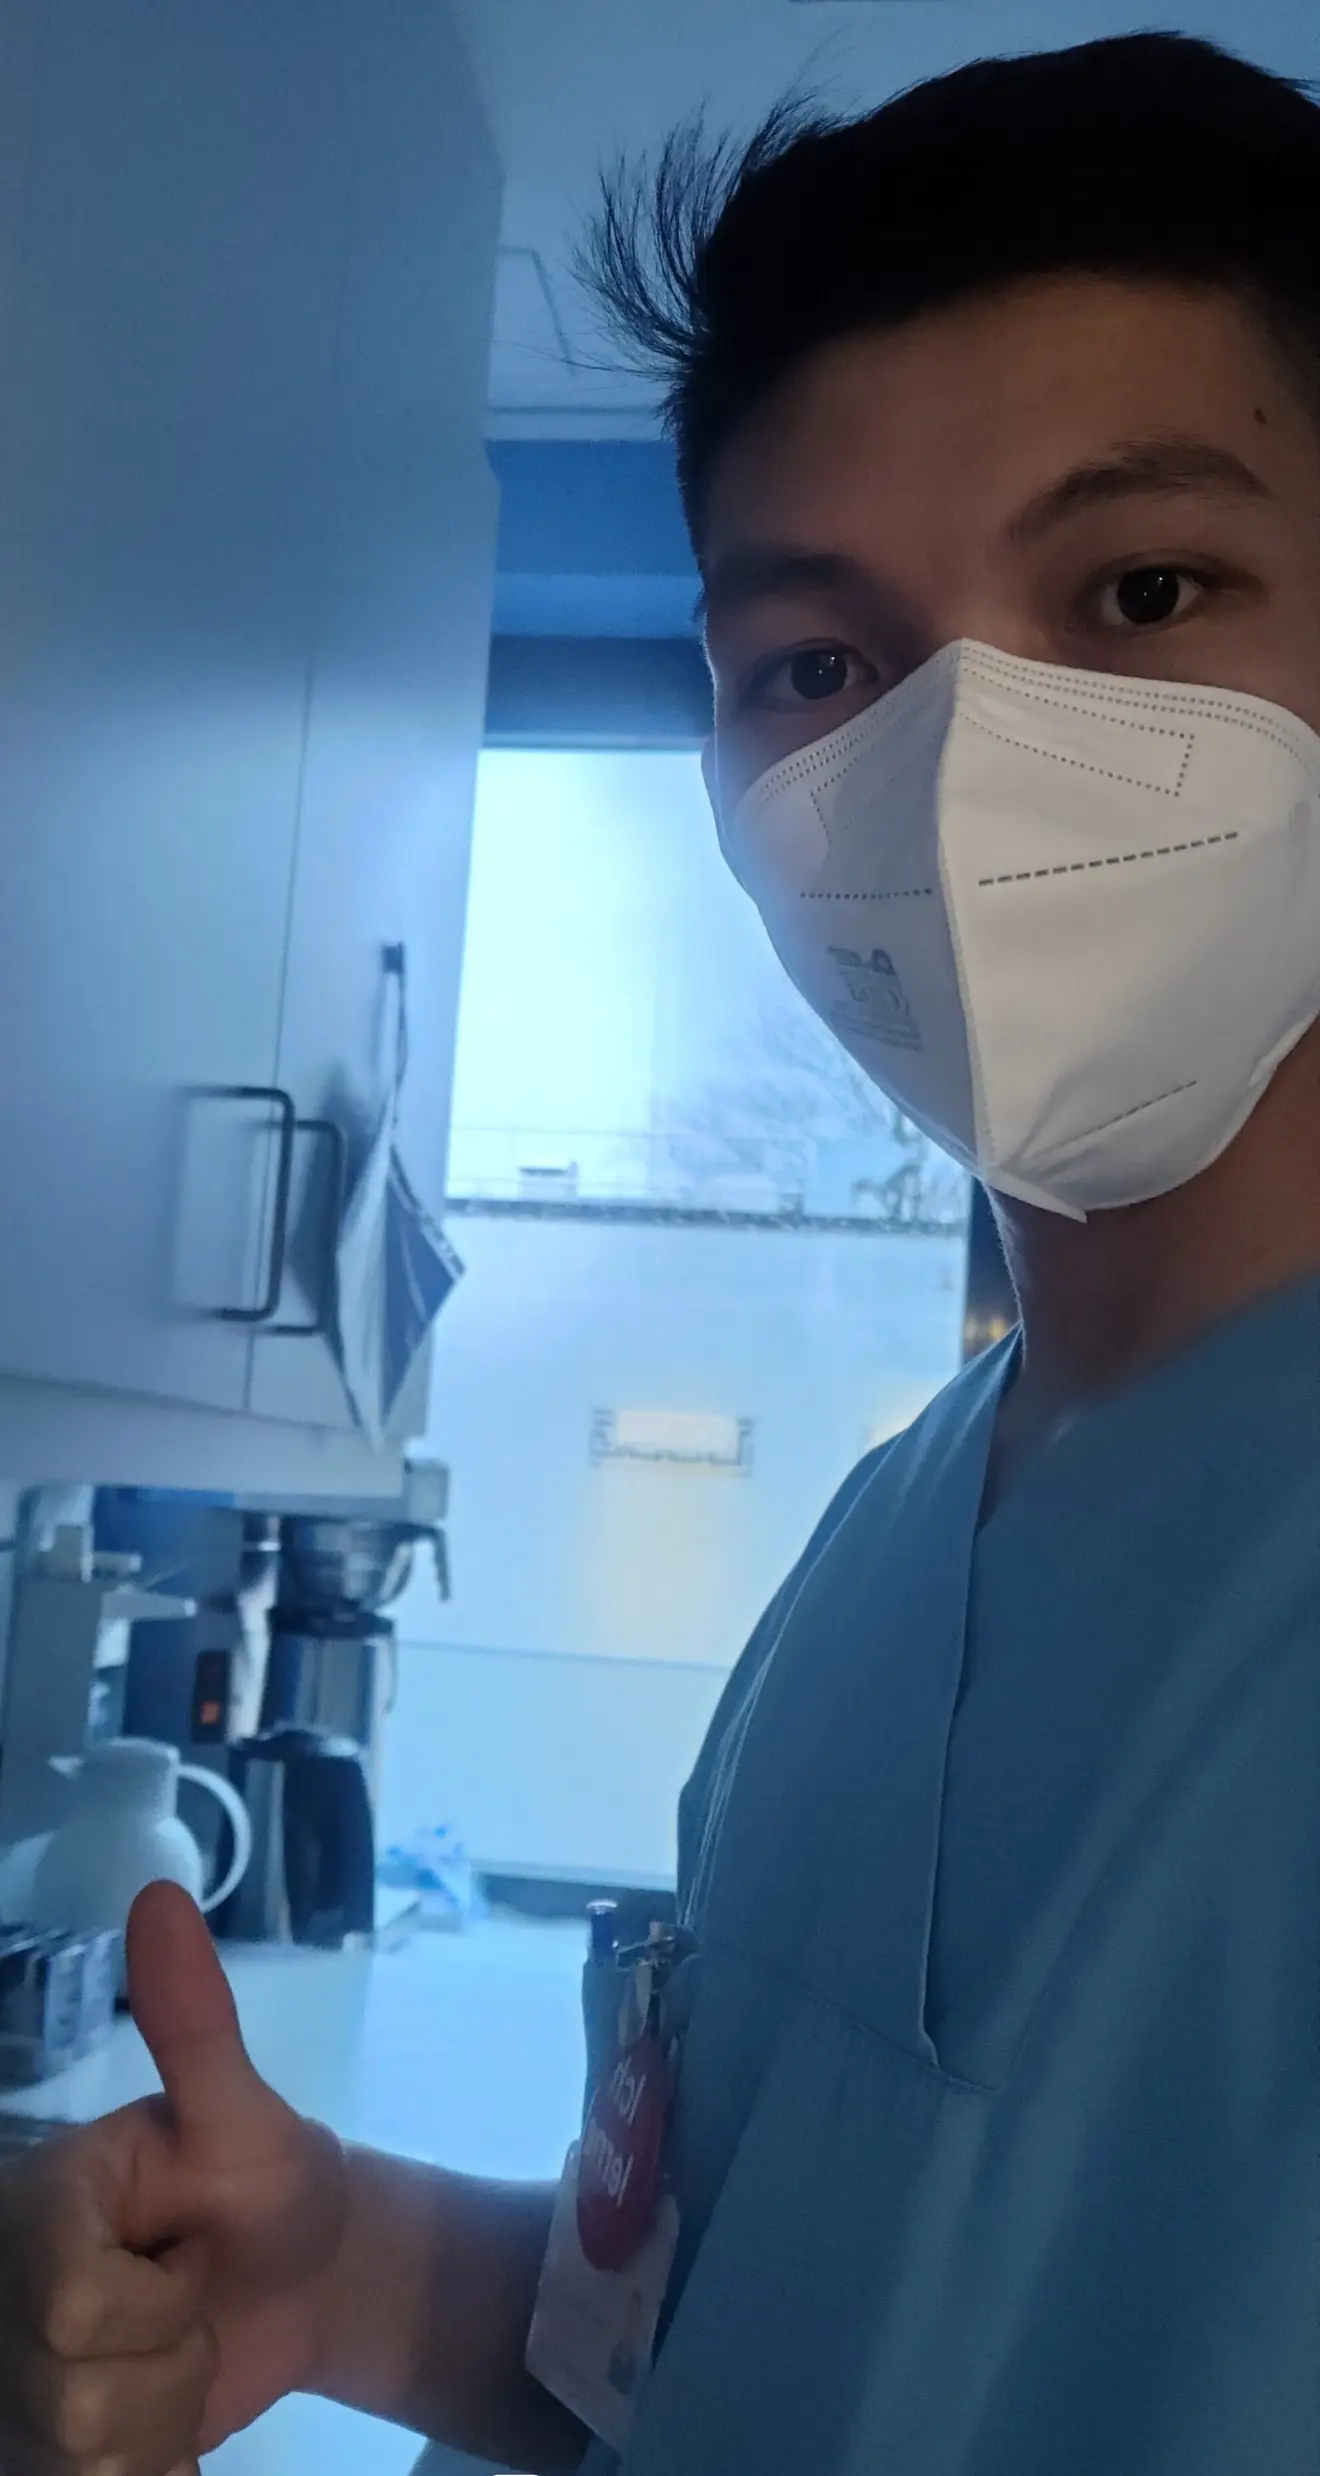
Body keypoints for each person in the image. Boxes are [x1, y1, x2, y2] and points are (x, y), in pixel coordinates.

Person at [2, 27, 1319, 2475]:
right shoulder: (895, 1543)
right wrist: (354, 2260)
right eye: (816, 663)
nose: (960, 765)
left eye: (1144, 586)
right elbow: (746, 2325)